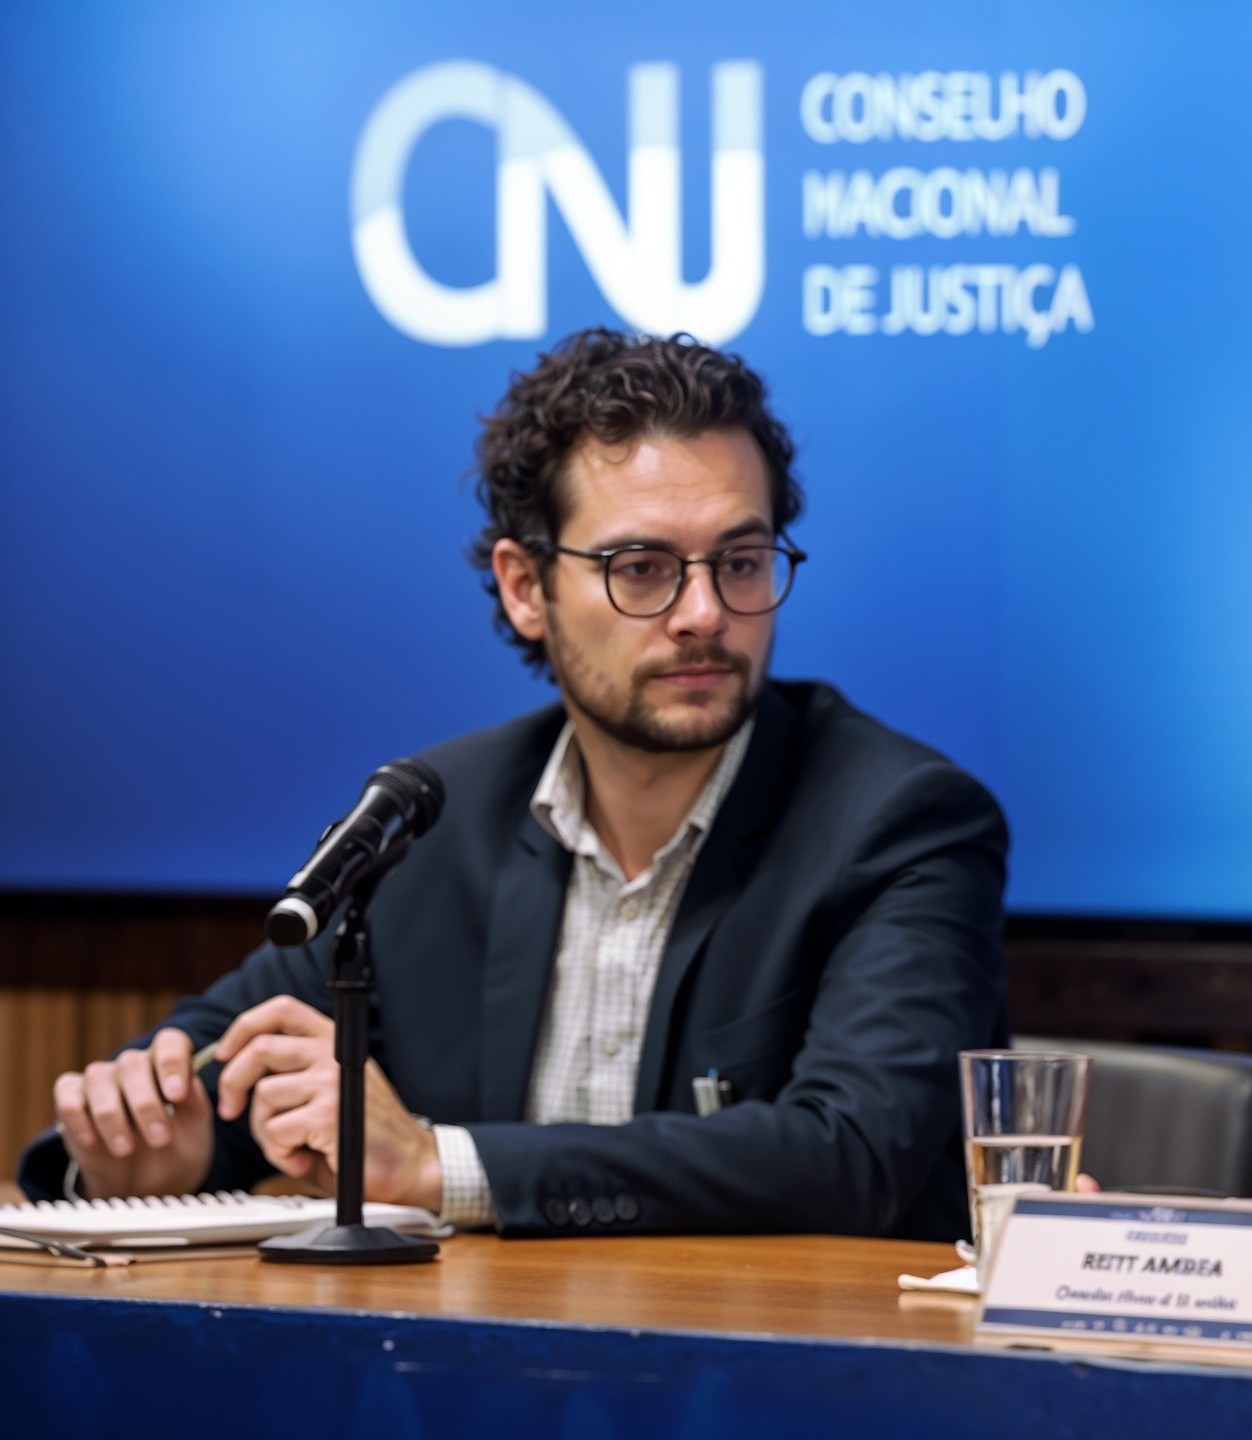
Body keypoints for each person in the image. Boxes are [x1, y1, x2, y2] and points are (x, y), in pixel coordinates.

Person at [19, 329, 1008, 1239]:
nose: (705, 612)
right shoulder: (435, 817)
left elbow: (855, 1156)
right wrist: (159, 1148)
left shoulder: (899, 823)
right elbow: (230, 1059)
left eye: (740, 562)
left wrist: (438, 1166)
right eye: (643, 568)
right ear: (525, 587)